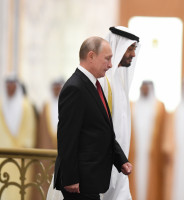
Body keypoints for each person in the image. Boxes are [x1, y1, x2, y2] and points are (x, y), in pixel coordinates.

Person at [52, 36, 132, 200]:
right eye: (107, 59)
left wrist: (120, 160)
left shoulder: (92, 84)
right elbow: (67, 137)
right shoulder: (75, 88)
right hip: (79, 182)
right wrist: (71, 177)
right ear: (91, 56)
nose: (110, 65)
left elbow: (101, 129)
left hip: (90, 179)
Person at [99, 26, 140, 200]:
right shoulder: (103, 81)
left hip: (119, 168)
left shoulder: (119, 83)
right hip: (102, 168)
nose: (133, 54)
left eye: (134, 49)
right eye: (130, 48)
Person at [0, 75, 37, 200]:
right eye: (7, 85)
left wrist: (23, 147)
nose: (10, 88)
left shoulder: (26, 106)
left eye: (12, 84)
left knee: (22, 190)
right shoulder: (1, 104)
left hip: (22, 158)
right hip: (3, 157)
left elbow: (30, 131)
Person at [128, 81, 166, 200]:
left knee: (152, 181)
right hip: (135, 152)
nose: (144, 90)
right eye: (142, 88)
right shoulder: (132, 106)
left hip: (153, 154)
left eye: (147, 88)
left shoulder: (159, 106)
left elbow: (163, 130)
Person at [37, 78, 64, 149]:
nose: (57, 90)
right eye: (55, 88)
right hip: (47, 144)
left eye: (58, 88)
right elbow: (41, 129)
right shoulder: (46, 106)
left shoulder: (67, 104)